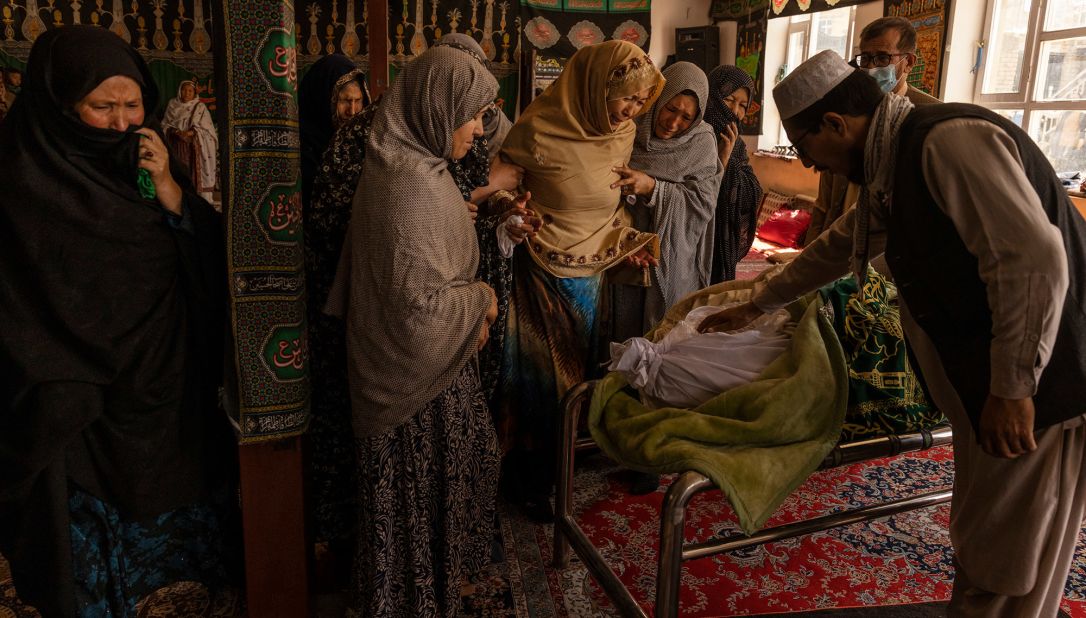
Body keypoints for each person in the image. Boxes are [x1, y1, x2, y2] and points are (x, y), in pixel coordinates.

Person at [698, 49, 1086, 618]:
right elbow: (844, 241)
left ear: (836, 123)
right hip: (1001, 384)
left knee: (1005, 556)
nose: (813, 169)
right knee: (1001, 550)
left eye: (809, 152)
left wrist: (1012, 389)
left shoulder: (946, 142)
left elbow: (1033, 260)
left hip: (1037, 386)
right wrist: (759, 302)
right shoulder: (897, 159)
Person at [0, 26, 237, 617]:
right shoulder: (20, 175)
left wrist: (170, 194)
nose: (123, 123)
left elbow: (205, 254)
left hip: (160, 382)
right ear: (60, 105)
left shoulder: (151, 161)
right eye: (102, 106)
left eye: (133, 105)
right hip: (76, 398)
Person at [302, 35, 531, 564]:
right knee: (405, 494)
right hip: (400, 351)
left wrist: (497, 216)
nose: (479, 130)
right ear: (438, 99)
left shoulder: (420, 157)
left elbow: (447, 220)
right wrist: (480, 298)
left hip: (415, 340)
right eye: (472, 113)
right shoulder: (402, 178)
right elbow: (413, 298)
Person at [495, 40, 664, 519]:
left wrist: (625, 246)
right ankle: (528, 479)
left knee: (578, 375)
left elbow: (609, 208)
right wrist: (511, 215)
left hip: (591, 279)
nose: (630, 110)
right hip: (541, 269)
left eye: (639, 101)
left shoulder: (623, 134)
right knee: (542, 378)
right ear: (595, 86)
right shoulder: (538, 130)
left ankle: (558, 466)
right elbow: (500, 191)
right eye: (625, 97)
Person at [609, 61, 723, 340]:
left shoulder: (702, 142)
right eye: (670, 109)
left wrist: (652, 188)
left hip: (674, 258)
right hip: (624, 249)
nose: (673, 123)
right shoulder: (627, 128)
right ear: (657, 97)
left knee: (663, 332)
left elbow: (703, 203)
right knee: (621, 325)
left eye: (686, 117)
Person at [804, 16, 940, 245]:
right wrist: (807, 251)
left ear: (908, 62)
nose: (871, 67)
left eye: (882, 58)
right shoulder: (847, 112)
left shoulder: (928, 116)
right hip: (837, 246)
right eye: (865, 58)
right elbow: (824, 201)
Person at [704, 65, 762, 283]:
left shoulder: (737, 146)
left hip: (721, 240)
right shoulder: (691, 134)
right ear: (713, 96)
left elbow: (754, 190)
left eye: (743, 106)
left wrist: (727, 163)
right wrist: (720, 162)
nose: (735, 111)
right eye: (729, 100)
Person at [298, 53, 369, 206]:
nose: (353, 111)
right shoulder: (302, 145)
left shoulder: (363, 143)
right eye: (345, 101)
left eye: (358, 100)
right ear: (323, 99)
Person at [162, 79, 218, 202]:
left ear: (194, 93)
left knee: (193, 174)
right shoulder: (172, 104)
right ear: (180, 91)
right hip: (175, 146)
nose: (187, 93)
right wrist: (175, 131)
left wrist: (191, 133)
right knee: (178, 173)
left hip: (194, 147)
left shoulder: (200, 107)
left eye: (190, 91)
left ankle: (199, 203)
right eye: (184, 90)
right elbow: (165, 125)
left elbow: (208, 130)